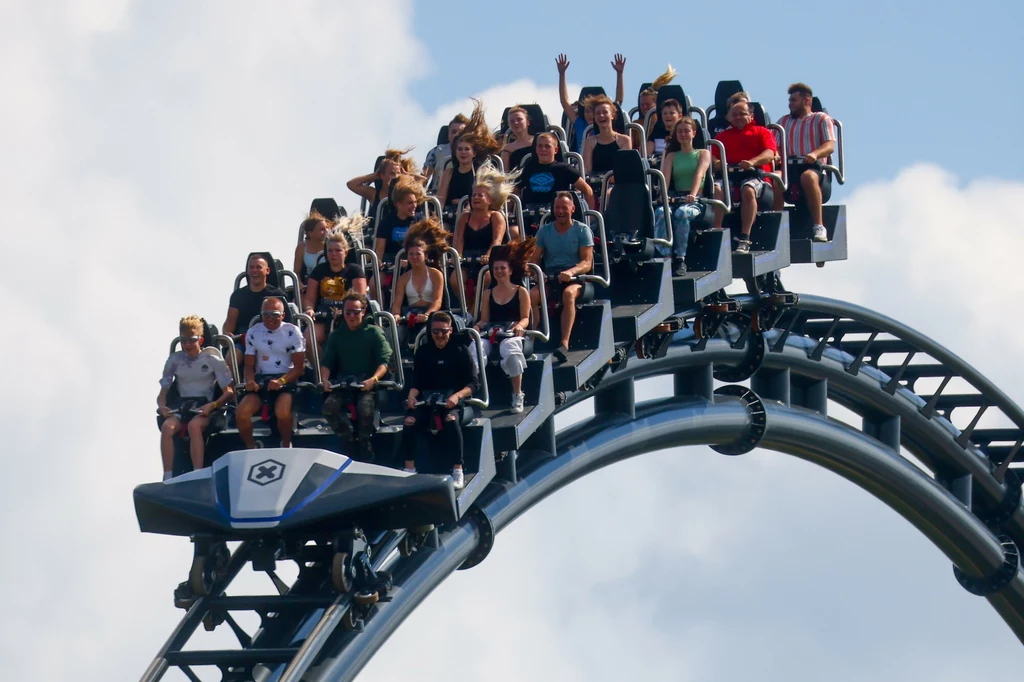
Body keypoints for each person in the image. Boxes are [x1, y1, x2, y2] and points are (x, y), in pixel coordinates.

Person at [401, 311, 481, 489]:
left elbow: (474, 383)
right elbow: (417, 382)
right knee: (409, 422)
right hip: (427, 400)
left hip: (453, 402)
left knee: (451, 421)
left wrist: (457, 396)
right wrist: (412, 395)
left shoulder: (461, 351)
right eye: (435, 331)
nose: (439, 336)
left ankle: (457, 469)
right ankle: (409, 468)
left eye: (443, 331)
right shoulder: (423, 352)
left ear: (450, 330)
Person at [157, 316, 235, 480]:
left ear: (200, 339)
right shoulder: (175, 360)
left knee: (194, 426)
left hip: (205, 407)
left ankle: (197, 474)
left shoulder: (212, 359)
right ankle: (168, 476)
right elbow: (163, 393)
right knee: (167, 428)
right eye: (183, 340)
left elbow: (229, 391)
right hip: (182, 405)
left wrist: (213, 405)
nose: (187, 345)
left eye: (191, 340)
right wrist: (163, 406)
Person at [320, 291, 393, 460]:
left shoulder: (374, 333)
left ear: (363, 311)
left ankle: (364, 442)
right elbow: (327, 363)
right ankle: (348, 440)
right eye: (348, 312)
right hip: (342, 384)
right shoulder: (337, 335)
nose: (352, 316)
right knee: (329, 408)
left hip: (368, 385)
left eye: (356, 312)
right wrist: (325, 380)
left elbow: (385, 361)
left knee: (365, 408)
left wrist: (373, 379)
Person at [530, 192, 594, 363]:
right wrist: (539, 274)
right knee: (532, 296)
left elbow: (587, 262)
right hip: (552, 277)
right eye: (557, 208)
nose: (560, 211)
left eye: (564, 208)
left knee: (568, 295)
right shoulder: (545, 231)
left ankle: (564, 343)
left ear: (572, 209)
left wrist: (572, 272)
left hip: (576, 279)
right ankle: (531, 339)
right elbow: (534, 260)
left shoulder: (581, 230)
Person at [235, 297, 306, 449]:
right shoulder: (254, 332)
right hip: (261, 381)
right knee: (241, 413)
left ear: (282, 315)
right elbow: (249, 366)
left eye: (274, 314)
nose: (270, 319)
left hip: (286, 380)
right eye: (266, 314)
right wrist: (250, 381)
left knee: (282, 411)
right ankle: (250, 447)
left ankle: (286, 443)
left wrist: (282, 381)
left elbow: (299, 367)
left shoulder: (293, 332)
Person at [472, 242, 533, 414]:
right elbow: (484, 319)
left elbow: (525, 317)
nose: (499, 272)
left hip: (512, 333)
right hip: (492, 333)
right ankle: (472, 391)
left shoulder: (521, 291)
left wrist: (520, 326)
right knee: (475, 348)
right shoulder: (487, 294)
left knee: (510, 348)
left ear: (510, 270)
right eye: (496, 269)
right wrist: (477, 327)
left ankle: (517, 393)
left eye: (502, 268)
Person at [711, 101, 779, 254]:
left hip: (755, 176)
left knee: (748, 189)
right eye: (734, 114)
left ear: (751, 116)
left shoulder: (762, 132)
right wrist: (718, 163)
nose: (738, 117)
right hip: (729, 176)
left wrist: (752, 162)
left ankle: (744, 237)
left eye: (742, 114)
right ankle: (716, 233)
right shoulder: (722, 136)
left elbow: (770, 153)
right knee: (716, 189)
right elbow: (712, 157)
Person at [775, 82, 836, 242]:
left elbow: (830, 145)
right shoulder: (783, 122)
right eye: (789, 101)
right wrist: (775, 155)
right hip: (789, 167)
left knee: (808, 177)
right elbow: (774, 146)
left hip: (813, 166)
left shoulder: (821, 119)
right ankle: (777, 226)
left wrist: (815, 154)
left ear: (806, 100)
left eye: (793, 100)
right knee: (776, 178)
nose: (790, 104)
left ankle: (819, 226)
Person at [655, 117, 712, 276]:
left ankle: (680, 257)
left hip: (696, 200)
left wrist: (692, 194)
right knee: (660, 213)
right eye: (679, 131)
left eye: (686, 131)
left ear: (693, 133)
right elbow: (664, 178)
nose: (683, 134)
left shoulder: (702, 153)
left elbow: (700, 174)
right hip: (675, 198)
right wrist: (663, 196)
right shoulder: (672, 155)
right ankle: (665, 255)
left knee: (683, 213)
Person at [303, 216, 370, 349]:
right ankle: (323, 367)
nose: (333, 254)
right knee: (308, 339)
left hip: (349, 316)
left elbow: (360, 299)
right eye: (330, 251)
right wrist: (309, 309)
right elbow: (309, 298)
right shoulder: (319, 270)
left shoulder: (354, 271)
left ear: (345, 252)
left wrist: (346, 312)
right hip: (323, 316)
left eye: (338, 250)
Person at [452, 164, 514, 307]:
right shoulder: (465, 217)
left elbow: (497, 240)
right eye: (474, 195)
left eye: (480, 195)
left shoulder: (496, 216)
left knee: (485, 279)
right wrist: (458, 256)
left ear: (490, 200)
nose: (476, 198)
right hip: (468, 259)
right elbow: (459, 239)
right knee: (456, 279)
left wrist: (489, 255)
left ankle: (477, 311)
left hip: (490, 259)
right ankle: (466, 309)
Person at [516, 132, 595, 225]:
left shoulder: (564, 169)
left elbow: (587, 190)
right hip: (531, 216)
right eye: (540, 146)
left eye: (547, 146)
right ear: (536, 149)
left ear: (556, 150)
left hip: (557, 216)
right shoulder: (528, 168)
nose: (543, 149)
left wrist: (590, 217)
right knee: (514, 231)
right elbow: (515, 189)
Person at [391, 218, 447, 347]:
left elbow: (438, 301)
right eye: (411, 254)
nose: (414, 257)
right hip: (410, 315)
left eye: (418, 254)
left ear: (426, 256)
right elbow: (397, 302)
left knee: (424, 337)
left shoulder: (435, 274)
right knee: (394, 334)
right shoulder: (403, 278)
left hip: (430, 316)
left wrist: (427, 315)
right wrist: (396, 315)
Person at [436, 100, 502, 209]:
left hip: (474, 212)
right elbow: (441, 199)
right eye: (460, 149)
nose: (463, 152)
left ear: (474, 153)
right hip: (450, 214)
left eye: (467, 149)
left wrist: (466, 211)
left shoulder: (481, 171)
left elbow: (481, 196)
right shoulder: (449, 173)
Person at [223, 254, 287, 363]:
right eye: (251, 267)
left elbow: (284, 323)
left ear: (267, 270)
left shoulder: (277, 295)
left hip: (271, 338)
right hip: (244, 338)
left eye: (258, 267)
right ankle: (233, 380)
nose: (254, 271)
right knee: (232, 357)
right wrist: (227, 333)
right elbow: (229, 323)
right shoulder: (238, 295)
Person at [557, 53, 626, 153]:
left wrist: (620, 74)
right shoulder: (580, 124)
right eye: (587, 111)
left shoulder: (606, 126)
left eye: (594, 112)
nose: (590, 115)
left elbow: (618, 103)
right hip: (582, 165)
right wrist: (562, 74)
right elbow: (564, 102)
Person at [347, 149, 420, 220]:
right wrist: (374, 175)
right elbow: (351, 184)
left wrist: (406, 175)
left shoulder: (406, 195)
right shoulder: (374, 194)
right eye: (392, 173)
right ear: (382, 175)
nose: (396, 177)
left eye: (398, 173)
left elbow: (423, 181)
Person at [374, 174, 425, 268]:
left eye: (415, 202)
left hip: (416, 263)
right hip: (393, 264)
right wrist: (380, 263)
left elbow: (426, 246)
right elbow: (379, 252)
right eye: (410, 203)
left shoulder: (420, 221)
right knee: (374, 282)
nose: (414, 206)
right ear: (399, 205)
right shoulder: (386, 222)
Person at [581, 93, 632, 178]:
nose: (601, 115)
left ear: (612, 115)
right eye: (597, 113)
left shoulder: (624, 140)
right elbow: (587, 170)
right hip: (596, 182)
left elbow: (623, 169)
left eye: (605, 112)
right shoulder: (590, 141)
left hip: (618, 184)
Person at [423, 113, 469, 192]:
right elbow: (424, 178)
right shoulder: (436, 151)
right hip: (437, 196)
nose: (456, 135)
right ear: (448, 134)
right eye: (453, 132)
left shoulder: (474, 153)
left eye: (460, 132)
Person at [293, 211, 330, 291]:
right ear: (310, 233)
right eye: (322, 229)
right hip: (310, 284)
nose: (326, 231)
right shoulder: (302, 247)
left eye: (327, 228)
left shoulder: (331, 245)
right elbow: (297, 273)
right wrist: (301, 286)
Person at [637, 65, 677, 135]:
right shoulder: (637, 126)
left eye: (648, 104)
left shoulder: (666, 124)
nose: (645, 107)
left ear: (656, 104)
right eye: (642, 105)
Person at [500, 106, 534, 171]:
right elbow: (505, 173)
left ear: (528, 122)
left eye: (519, 119)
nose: (516, 123)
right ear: (509, 125)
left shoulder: (539, 141)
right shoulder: (507, 148)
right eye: (512, 121)